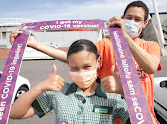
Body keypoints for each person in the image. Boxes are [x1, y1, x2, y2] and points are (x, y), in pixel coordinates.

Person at [10, 1, 161, 123]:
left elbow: (151, 66)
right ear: (122, 18)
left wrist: (125, 90)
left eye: (137, 19)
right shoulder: (107, 45)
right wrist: (37, 45)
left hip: (139, 112)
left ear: (145, 23)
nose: (132, 22)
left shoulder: (150, 46)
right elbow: (78, 56)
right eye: (128, 18)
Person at [9, 39, 130, 124]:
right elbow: (15, 113)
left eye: (87, 66)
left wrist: (127, 91)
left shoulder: (114, 97)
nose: (81, 72)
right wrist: (39, 88)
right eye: (74, 68)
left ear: (98, 62)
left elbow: (145, 121)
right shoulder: (58, 92)